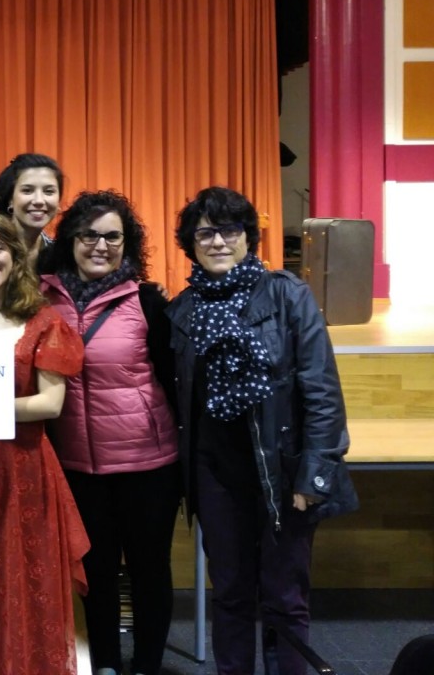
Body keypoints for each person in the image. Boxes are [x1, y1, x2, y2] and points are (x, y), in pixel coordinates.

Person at [166, 186, 359, 675]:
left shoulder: (288, 295)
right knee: (230, 594)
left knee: (284, 597)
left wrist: (314, 474)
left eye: (229, 230)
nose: (217, 242)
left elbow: (321, 390)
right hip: (216, 476)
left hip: (282, 472)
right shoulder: (182, 309)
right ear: (190, 243)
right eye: (205, 233)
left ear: (248, 237)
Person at [41, 190, 182, 675]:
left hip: (148, 465)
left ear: (128, 243)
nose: (100, 246)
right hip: (76, 466)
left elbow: (170, 379)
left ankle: (146, 665)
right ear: (70, 240)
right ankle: (103, 663)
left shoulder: (147, 301)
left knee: (148, 571)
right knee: (95, 572)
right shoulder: (40, 299)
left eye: (112, 237)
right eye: (89, 235)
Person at [0, 211, 89, 675]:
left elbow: (50, 403)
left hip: (23, 470)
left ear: (14, 253)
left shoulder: (42, 319)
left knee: (26, 583)